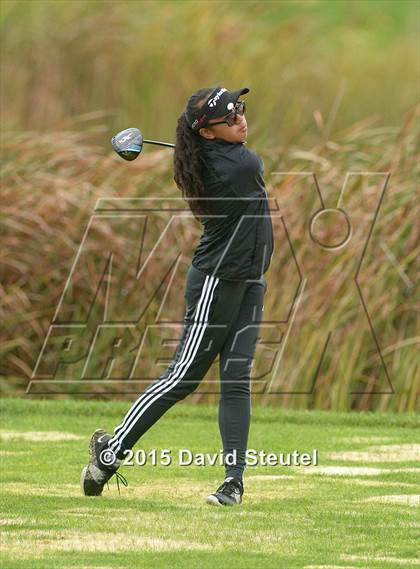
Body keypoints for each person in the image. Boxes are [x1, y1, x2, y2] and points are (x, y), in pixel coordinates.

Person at [81, 86, 274, 506]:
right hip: (217, 284)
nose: (240, 118)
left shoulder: (213, 157)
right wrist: (214, 147)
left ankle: (232, 483)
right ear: (207, 134)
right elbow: (247, 159)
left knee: (237, 380)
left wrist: (206, 143)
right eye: (229, 117)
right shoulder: (239, 166)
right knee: (181, 379)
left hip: (248, 280)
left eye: (240, 109)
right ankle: (109, 453)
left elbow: (218, 148)